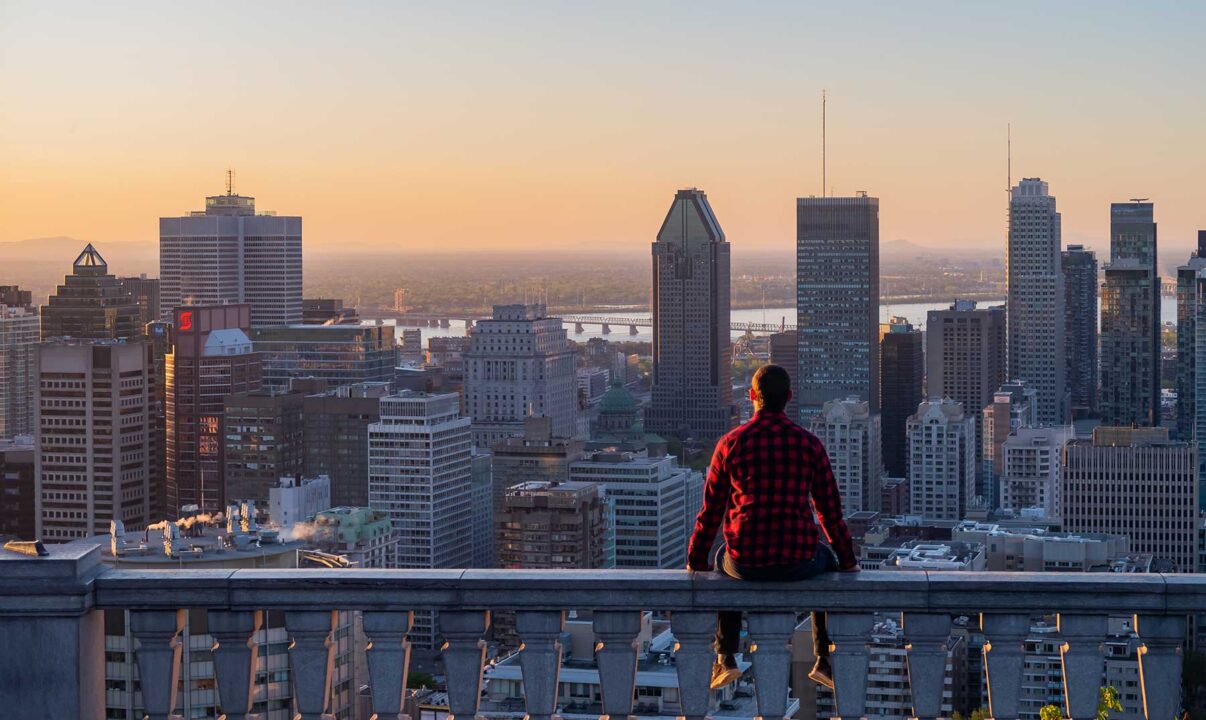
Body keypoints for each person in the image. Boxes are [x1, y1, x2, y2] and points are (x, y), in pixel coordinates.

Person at [686, 364, 860, 690]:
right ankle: (823, 658)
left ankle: (725, 656)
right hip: (799, 561)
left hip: (745, 562)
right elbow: (830, 513)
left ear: (752, 396)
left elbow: (711, 512)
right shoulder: (809, 444)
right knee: (829, 562)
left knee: (724, 553)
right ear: (789, 398)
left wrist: (696, 561)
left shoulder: (730, 443)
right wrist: (848, 561)